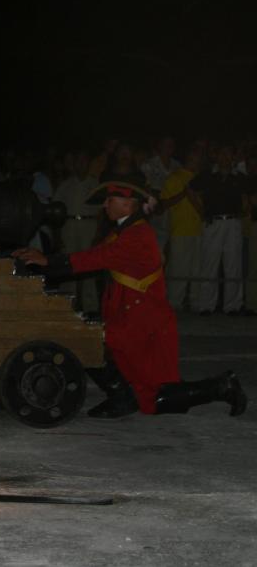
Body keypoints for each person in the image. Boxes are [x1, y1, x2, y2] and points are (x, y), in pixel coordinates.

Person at [14, 173, 247, 419]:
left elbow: (96, 258)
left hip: (142, 324)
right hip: (130, 319)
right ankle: (124, 396)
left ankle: (220, 386)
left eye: (110, 200)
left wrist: (47, 261)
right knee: (148, 390)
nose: (105, 205)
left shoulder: (138, 235)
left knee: (155, 395)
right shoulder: (124, 231)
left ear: (128, 203)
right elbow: (97, 255)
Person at [191, 146, 257, 316]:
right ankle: (206, 305)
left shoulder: (239, 177)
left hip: (234, 223)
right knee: (209, 263)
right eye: (222, 153)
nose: (225, 157)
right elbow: (190, 189)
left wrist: (246, 208)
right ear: (216, 156)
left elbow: (250, 195)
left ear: (233, 157)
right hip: (213, 222)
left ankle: (232, 306)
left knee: (233, 264)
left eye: (228, 153)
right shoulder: (208, 175)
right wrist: (200, 211)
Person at [52, 151, 99, 315]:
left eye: (84, 161)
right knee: (68, 266)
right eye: (78, 161)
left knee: (89, 267)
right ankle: (66, 306)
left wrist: (99, 236)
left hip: (89, 225)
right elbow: (55, 211)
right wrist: (57, 236)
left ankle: (91, 308)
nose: (81, 165)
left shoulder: (96, 185)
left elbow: (103, 213)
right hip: (69, 225)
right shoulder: (65, 185)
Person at [160, 146, 205, 311]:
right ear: (187, 158)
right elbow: (163, 204)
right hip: (180, 230)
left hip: (200, 230)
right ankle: (174, 303)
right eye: (194, 158)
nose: (196, 162)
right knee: (178, 269)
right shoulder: (174, 178)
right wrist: (184, 194)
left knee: (197, 270)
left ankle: (196, 303)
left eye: (199, 159)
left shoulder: (202, 178)